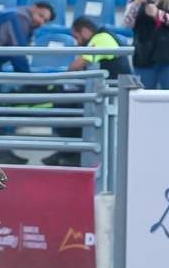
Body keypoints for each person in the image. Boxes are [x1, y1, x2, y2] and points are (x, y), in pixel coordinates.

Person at [0, 1, 55, 165]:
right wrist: (28, 79)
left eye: (45, 20)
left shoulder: (16, 16)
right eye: (41, 16)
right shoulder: (17, 16)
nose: (41, 22)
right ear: (33, 8)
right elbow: (17, 50)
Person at [42, 16, 132, 167]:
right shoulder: (101, 37)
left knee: (66, 103)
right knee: (64, 99)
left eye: (76, 37)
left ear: (84, 31)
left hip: (113, 95)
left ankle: (74, 153)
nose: (77, 42)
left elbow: (79, 64)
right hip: (104, 92)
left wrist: (63, 77)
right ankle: (68, 150)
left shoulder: (102, 38)